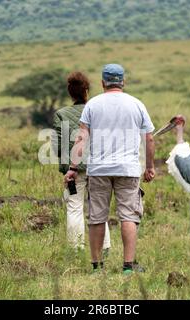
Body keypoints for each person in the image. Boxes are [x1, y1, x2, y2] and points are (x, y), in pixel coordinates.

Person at [65, 64, 156, 274]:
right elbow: (149, 138)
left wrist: (72, 167)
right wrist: (149, 167)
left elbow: (81, 137)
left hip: (98, 169)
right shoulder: (137, 104)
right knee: (128, 216)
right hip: (128, 169)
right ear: (123, 82)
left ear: (103, 82)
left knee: (97, 217)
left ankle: (97, 267)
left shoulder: (93, 105)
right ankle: (128, 266)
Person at [52, 71, 111, 252]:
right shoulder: (97, 110)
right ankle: (105, 248)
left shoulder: (61, 114)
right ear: (86, 90)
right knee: (98, 208)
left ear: (70, 92)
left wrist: (67, 168)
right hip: (99, 167)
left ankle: (76, 249)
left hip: (74, 169)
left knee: (74, 208)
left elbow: (58, 147)